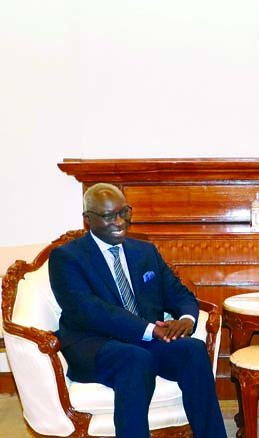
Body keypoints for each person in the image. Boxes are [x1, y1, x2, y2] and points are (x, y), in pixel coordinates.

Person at [49, 183, 227, 438]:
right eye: (109, 216)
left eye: (124, 212)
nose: (120, 221)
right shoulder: (67, 257)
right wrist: (150, 330)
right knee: (135, 359)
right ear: (88, 219)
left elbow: (177, 293)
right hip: (94, 343)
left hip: (143, 338)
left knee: (192, 349)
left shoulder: (144, 251)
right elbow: (90, 311)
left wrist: (186, 320)